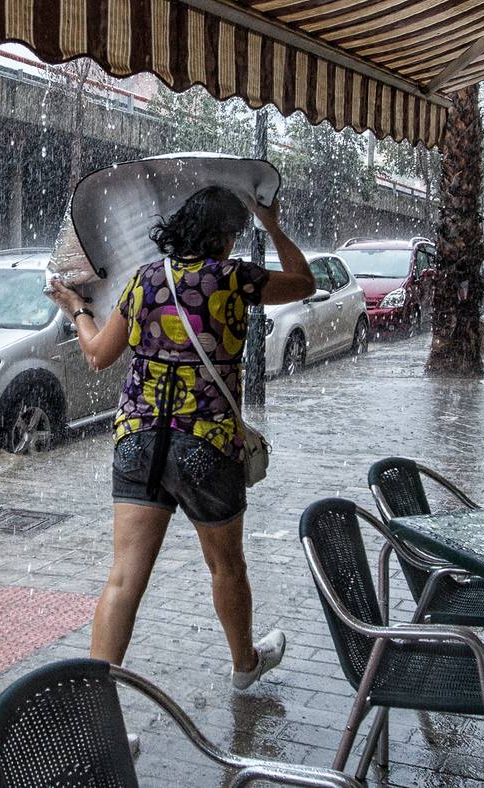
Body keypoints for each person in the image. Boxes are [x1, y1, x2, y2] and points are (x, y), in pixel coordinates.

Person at [44, 185, 315, 691]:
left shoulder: (143, 280)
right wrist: (274, 227)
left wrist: (78, 309)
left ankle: (97, 705)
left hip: (139, 441)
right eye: (234, 235)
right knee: (226, 565)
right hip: (205, 443)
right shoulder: (233, 278)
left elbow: (98, 354)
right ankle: (243, 665)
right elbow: (304, 281)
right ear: (224, 236)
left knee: (123, 579)